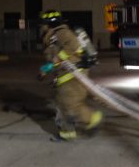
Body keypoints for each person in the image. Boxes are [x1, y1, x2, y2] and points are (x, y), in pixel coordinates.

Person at [38, 10, 103, 141]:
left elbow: (74, 46)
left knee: (71, 105)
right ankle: (67, 133)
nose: (41, 27)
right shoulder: (53, 37)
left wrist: (57, 59)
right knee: (63, 105)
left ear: (49, 24)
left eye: (43, 24)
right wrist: (46, 69)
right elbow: (54, 57)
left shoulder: (62, 33)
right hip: (65, 76)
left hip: (73, 76)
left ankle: (92, 118)